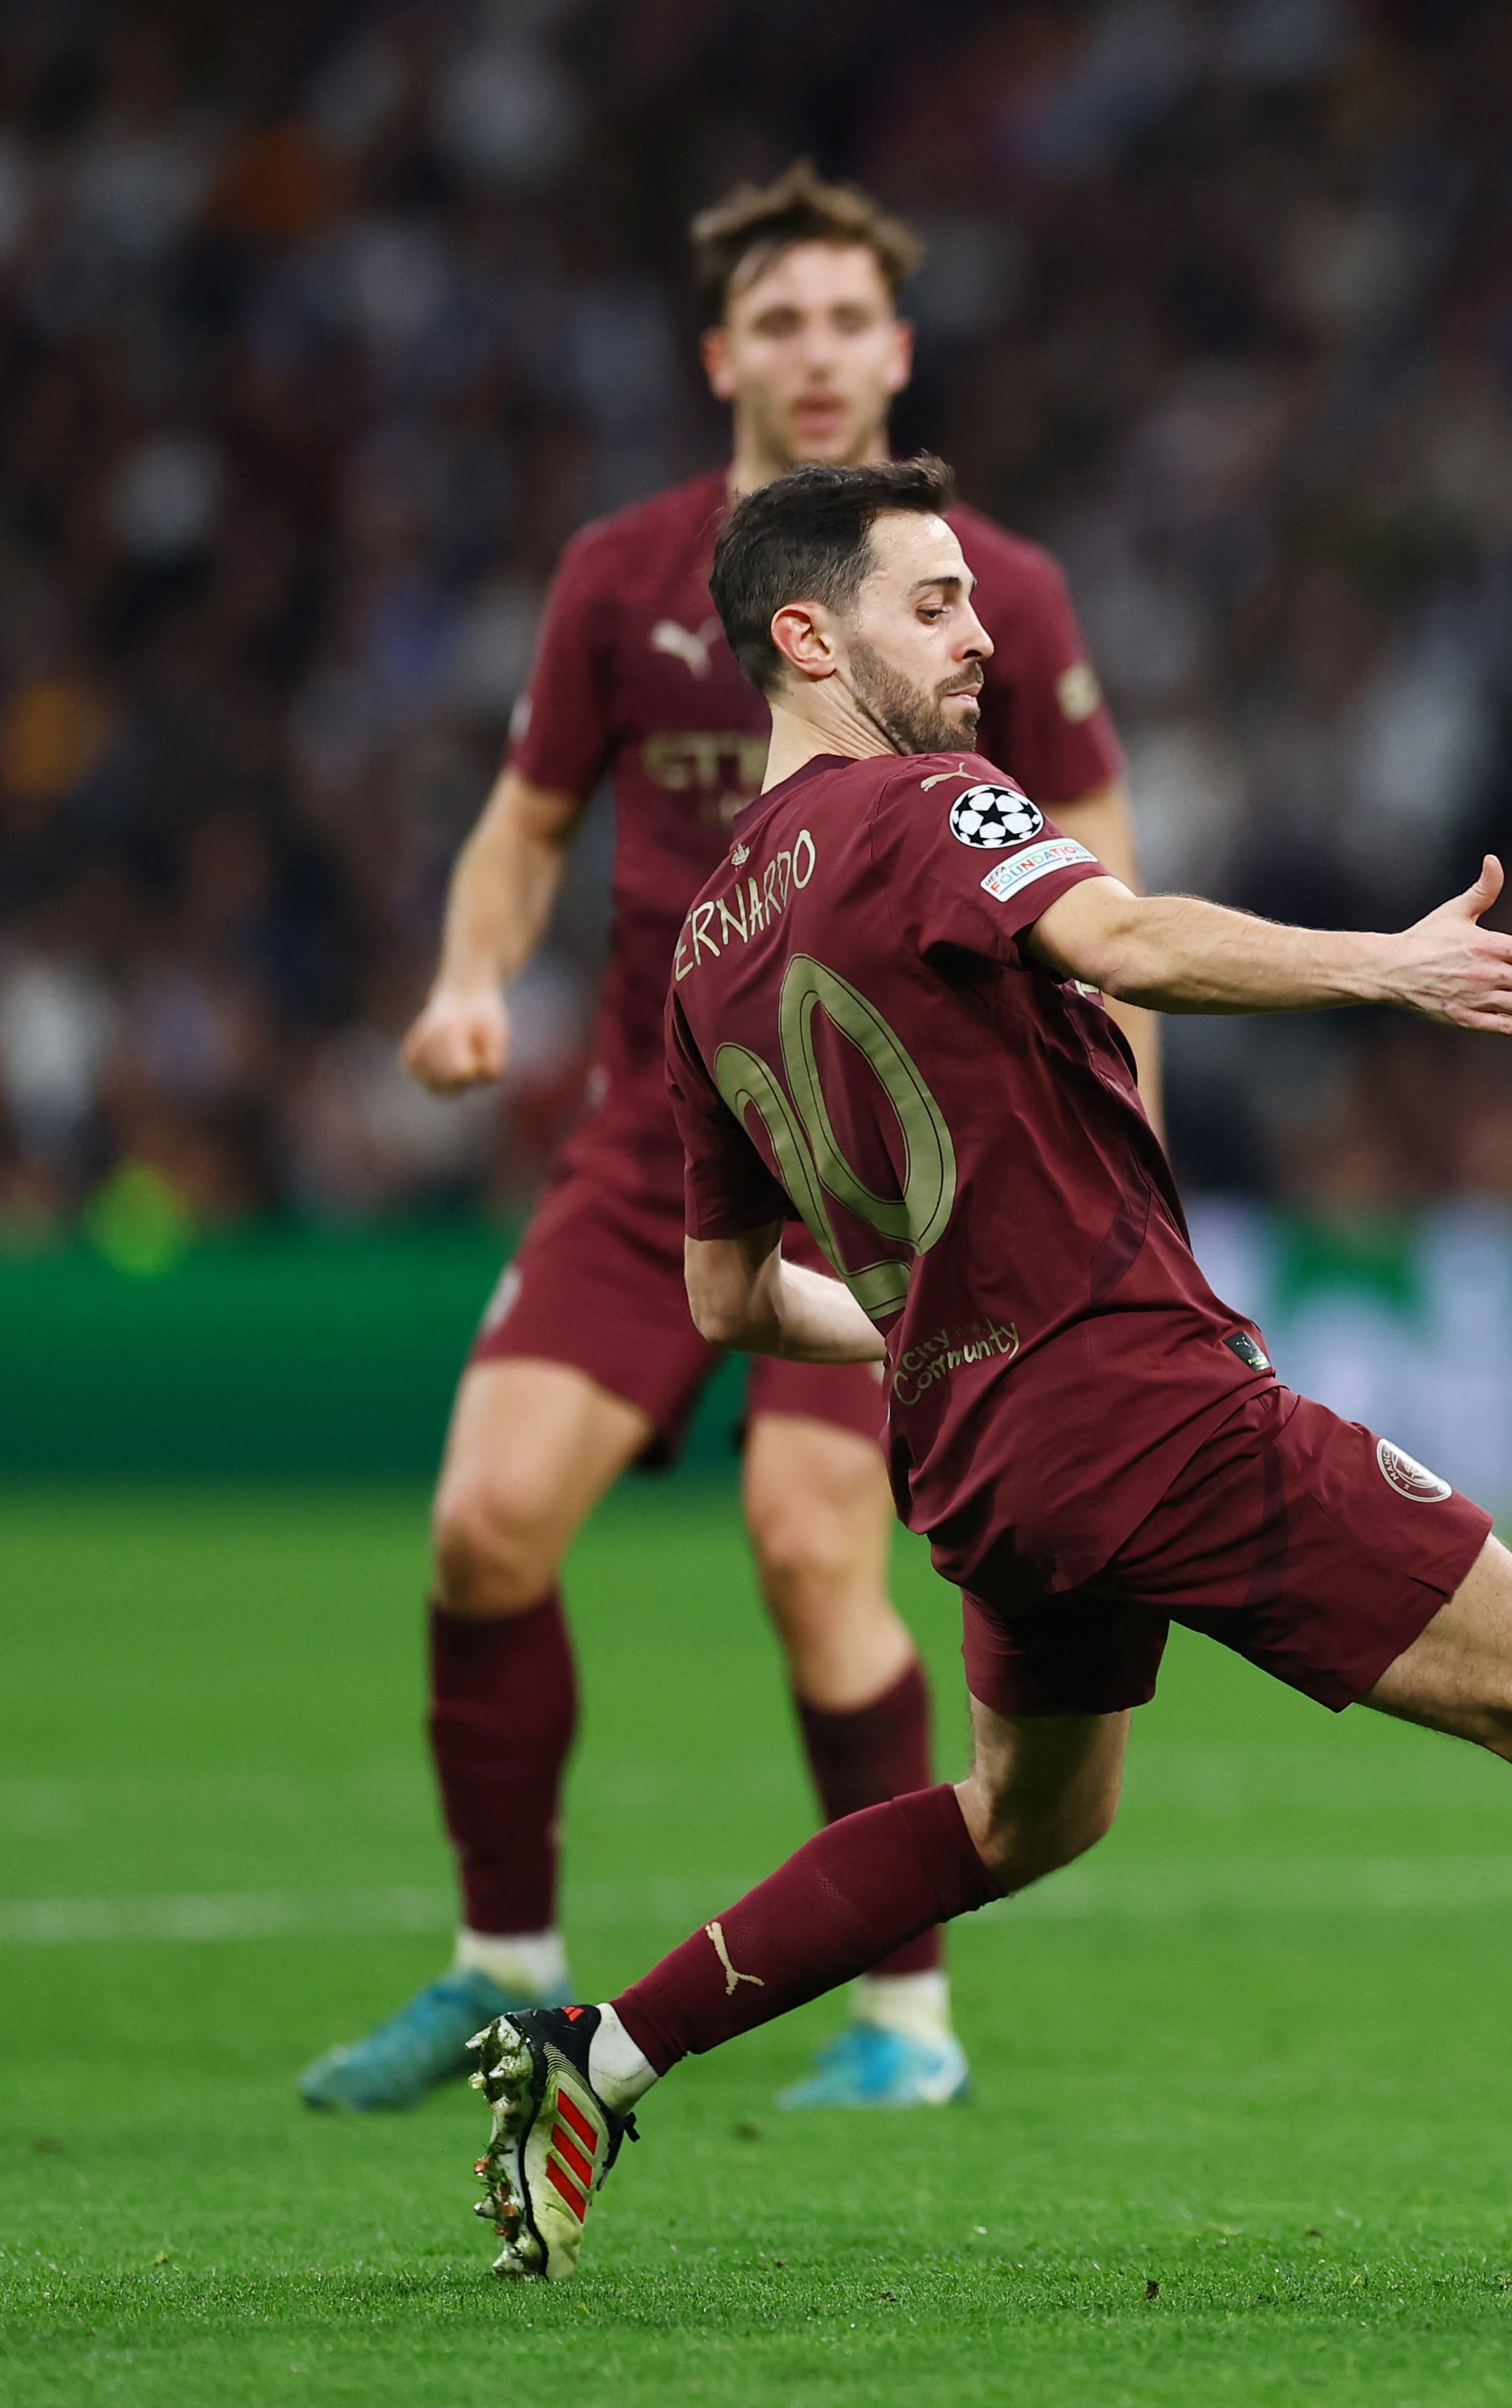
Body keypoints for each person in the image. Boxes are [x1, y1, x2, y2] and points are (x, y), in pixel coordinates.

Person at [463, 455, 1512, 2291]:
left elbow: (726, 1294)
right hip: (1132, 1399)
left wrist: (929, 1323)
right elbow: (1122, 937)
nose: (977, 635)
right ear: (807, 636)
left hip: (974, 1444)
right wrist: (1390, 966)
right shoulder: (928, 803)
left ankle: (601, 2056)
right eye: (931, 604)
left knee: (1027, 1815)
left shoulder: (706, 950)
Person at [299, 169, 1149, 2118]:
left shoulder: (987, 590)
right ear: (719, 356)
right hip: (656, 1133)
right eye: (781, 322)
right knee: (483, 1528)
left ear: (900, 347)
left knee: (807, 1544)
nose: (819, 353)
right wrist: (468, 979)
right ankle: (501, 1968)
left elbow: (1102, 858)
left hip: (885, 1163)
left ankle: (906, 2017)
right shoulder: (621, 576)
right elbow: (528, 819)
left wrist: (1126, 1131)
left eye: (850, 319)